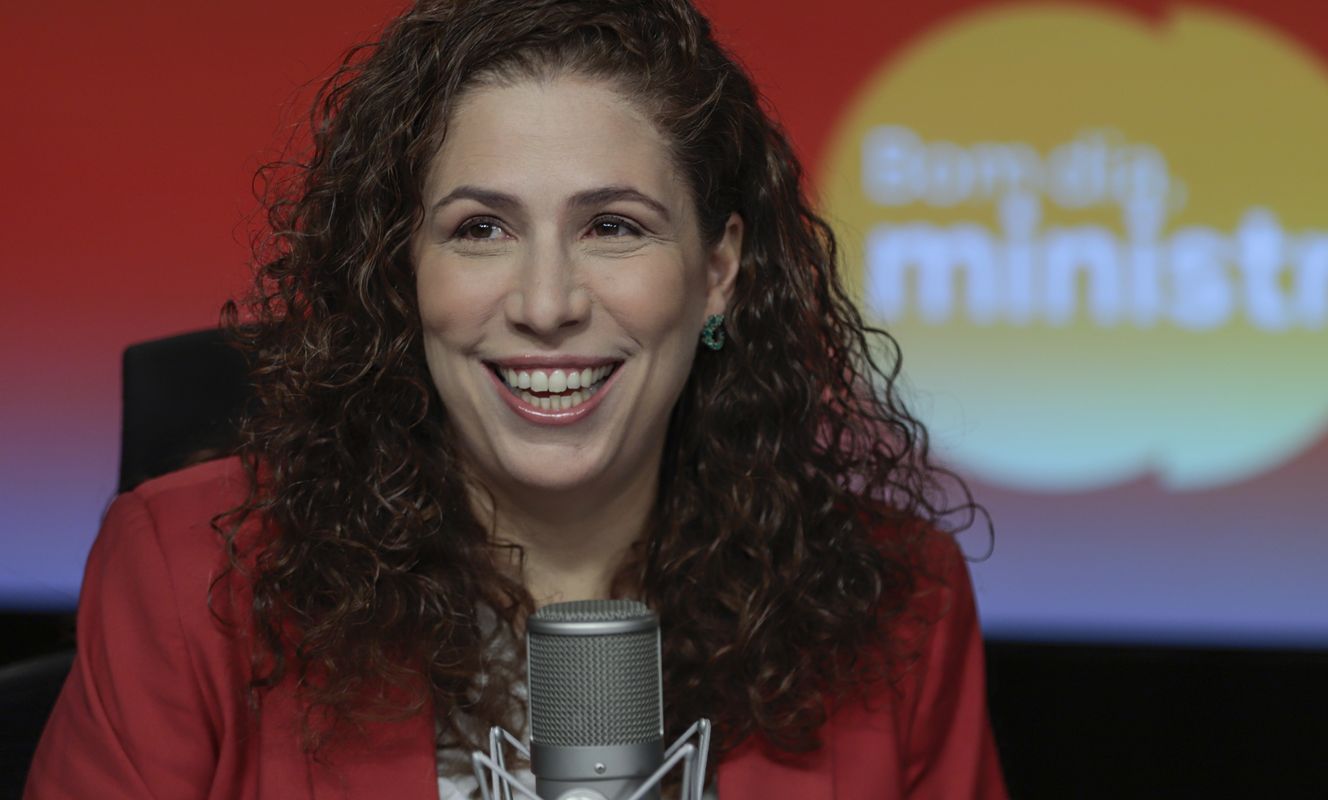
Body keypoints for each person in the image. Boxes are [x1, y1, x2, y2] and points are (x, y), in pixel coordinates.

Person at [27, 0, 1007, 797]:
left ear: (718, 273)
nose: (545, 304)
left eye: (613, 226)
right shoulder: (188, 581)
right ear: (403, 272)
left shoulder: (896, 604)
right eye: (481, 229)